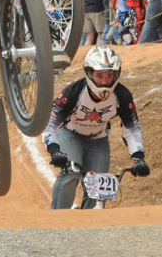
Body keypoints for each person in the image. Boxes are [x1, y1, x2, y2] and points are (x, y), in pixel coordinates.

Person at [43, 46, 149, 209]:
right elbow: (49, 123)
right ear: (89, 73)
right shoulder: (73, 92)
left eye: (109, 76)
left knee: (98, 185)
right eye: (99, 76)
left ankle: (92, 222)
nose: (105, 82)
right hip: (70, 134)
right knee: (71, 172)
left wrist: (138, 158)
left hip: (99, 139)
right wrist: (54, 150)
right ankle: (58, 218)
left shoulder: (122, 96)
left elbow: (132, 129)